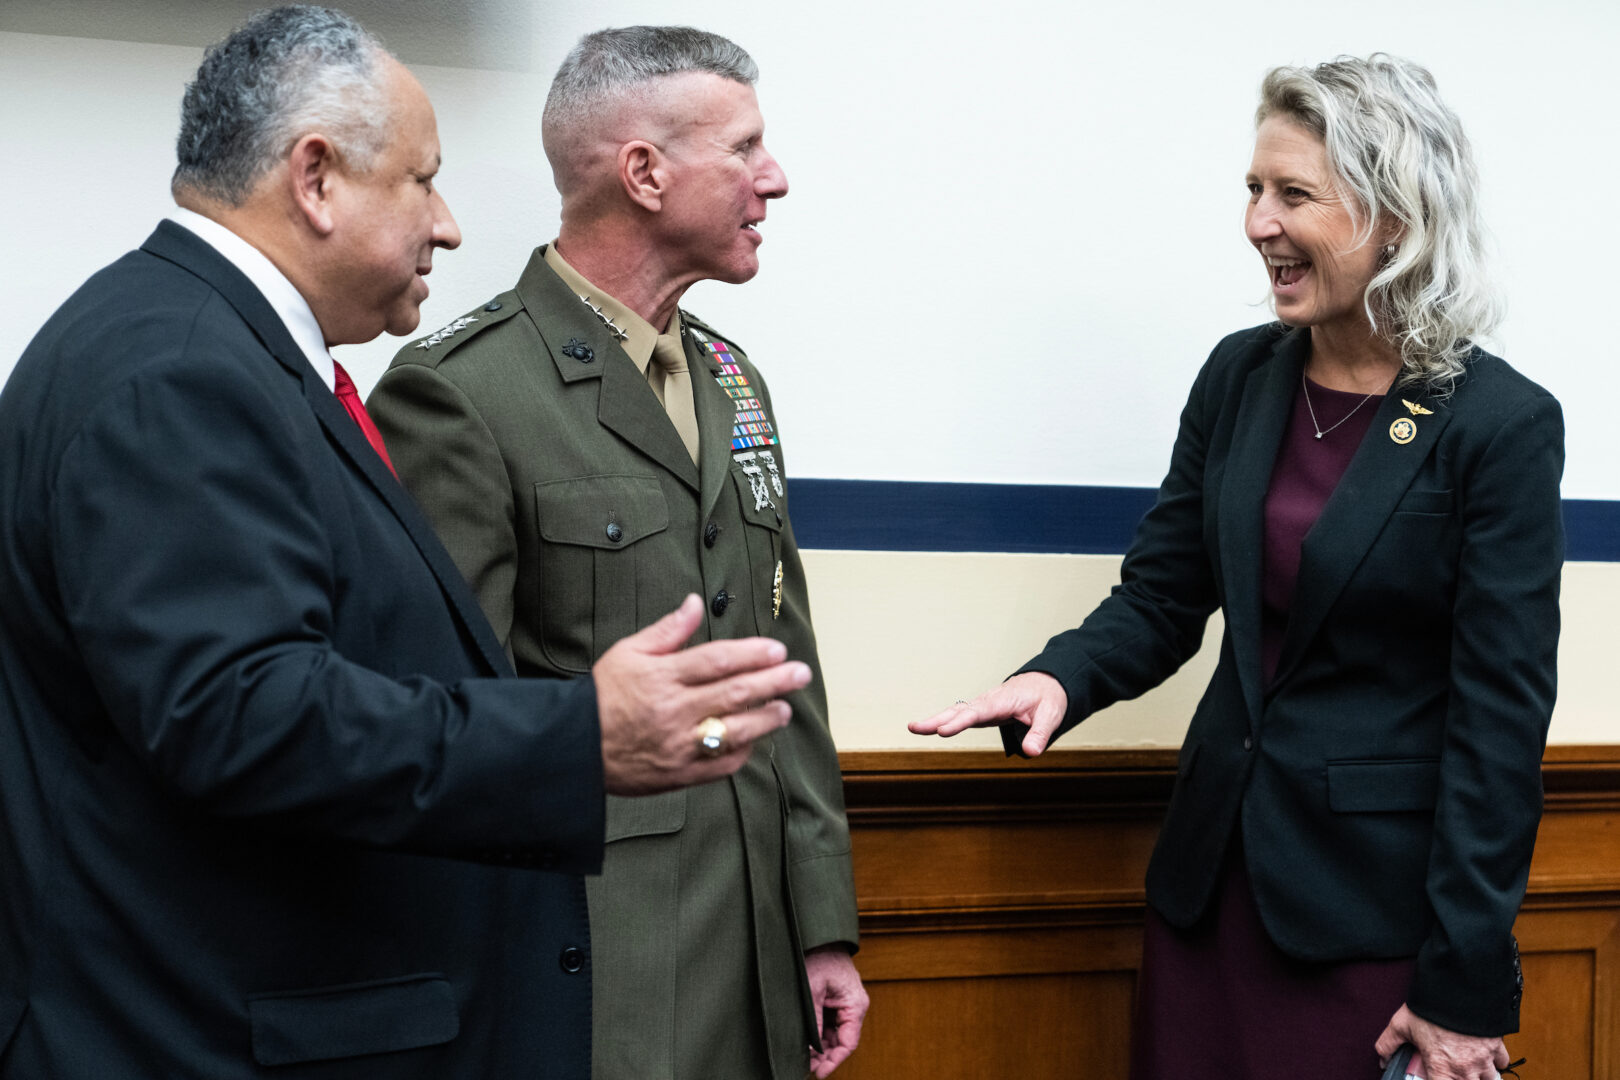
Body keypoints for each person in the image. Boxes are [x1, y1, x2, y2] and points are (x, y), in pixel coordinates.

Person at [0, 8, 813, 1077]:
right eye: (422, 182)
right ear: (317, 178)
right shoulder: (181, 371)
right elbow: (238, 713)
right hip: (195, 1032)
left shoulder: (213, 350)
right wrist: (580, 736)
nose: (449, 226)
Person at [911, 54, 1560, 1080]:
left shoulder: (1497, 423)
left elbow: (1499, 723)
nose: (1259, 222)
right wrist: (1060, 677)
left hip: (1372, 923)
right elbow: (1165, 595)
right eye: (1254, 191)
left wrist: (1464, 984)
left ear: (1395, 216)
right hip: (1210, 896)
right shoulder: (1240, 376)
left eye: (1293, 194)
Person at [368, 25, 867, 1080]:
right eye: (743, 149)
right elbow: (445, 720)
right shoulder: (460, 392)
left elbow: (785, 661)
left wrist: (821, 922)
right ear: (644, 172)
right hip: (597, 950)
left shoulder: (735, 381)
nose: (773, 180)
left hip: (758, 943)